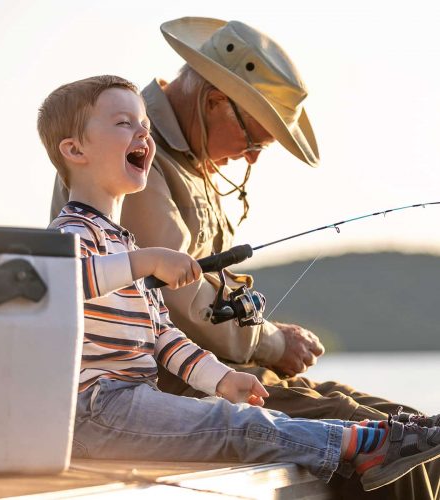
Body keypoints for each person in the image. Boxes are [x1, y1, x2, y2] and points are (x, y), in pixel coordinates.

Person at [49, 19, 439, 498]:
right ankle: (364, 443)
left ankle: (374, 439)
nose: (252, 158)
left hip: (202, 375)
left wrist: (224, 376)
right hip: (144, 399)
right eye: (254, 139)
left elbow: (160, 326)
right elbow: (172, 300)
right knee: (372, 438)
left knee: (399, 424)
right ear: (214, 102)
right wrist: (271, 343)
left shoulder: (145, 158)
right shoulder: (122, 170)